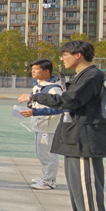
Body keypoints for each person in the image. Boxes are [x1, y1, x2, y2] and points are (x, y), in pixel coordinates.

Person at [19, 41, 106, 211]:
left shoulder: (92, 76)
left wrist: (35, 96)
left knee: (87, 181)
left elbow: (69, 101)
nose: (62, 59)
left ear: (78, 54)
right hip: (76, 134)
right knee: (75, 181)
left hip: (86, 136)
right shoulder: (83, 76)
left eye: (65, 55)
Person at [18, 59, 64, 190]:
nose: (32, 71)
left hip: (48, 127)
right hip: (40, 124)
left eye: (36, 69)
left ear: (46, 71)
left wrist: (35, 112)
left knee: (48, 155)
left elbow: (59, 108)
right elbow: (39, 102)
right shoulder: (39, 85)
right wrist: (31, 106)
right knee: (42, 153)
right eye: (32, 69)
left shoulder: (54, 88)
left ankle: (49, 181)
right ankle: (46, 176)